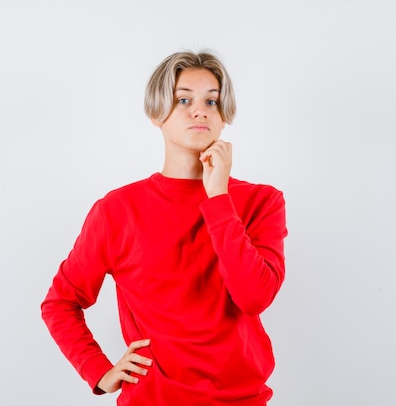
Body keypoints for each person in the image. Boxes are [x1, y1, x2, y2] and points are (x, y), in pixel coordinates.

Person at [41, 50, 287, 406]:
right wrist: (99, 371)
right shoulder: (117, 211)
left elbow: (254, 297)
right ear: (158, 114)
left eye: (212, 101)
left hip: (242, 400)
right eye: (183, 99)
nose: (199, 110)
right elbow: (61, 302)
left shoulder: (262, 202)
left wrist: (218, 197)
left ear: (223, 117)